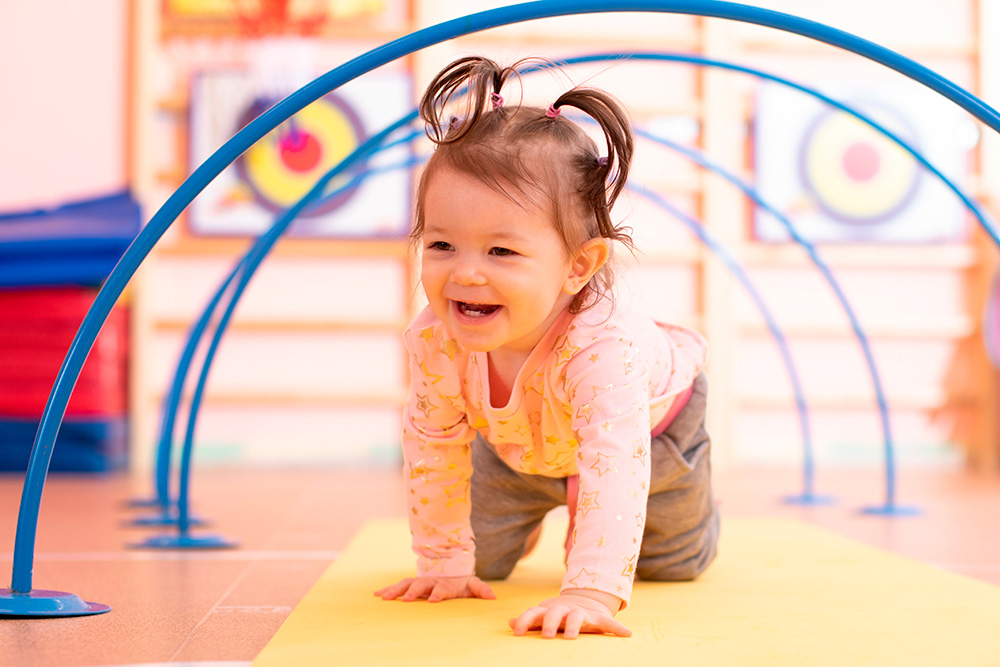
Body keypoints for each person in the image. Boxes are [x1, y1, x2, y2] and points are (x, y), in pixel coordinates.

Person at [375, 56, 719, 639]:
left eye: (501, 252)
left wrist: (589, 591)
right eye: (441, 244)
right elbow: (432, 443)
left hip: (653, 436)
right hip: (517, 448)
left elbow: (613, 460)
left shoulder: (602, 346)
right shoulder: (436, 338)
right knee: (476, 566)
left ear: (578, 265)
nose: (465, 275)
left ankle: (681, 514)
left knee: (671, 567)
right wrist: (443, 561)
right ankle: (541, 510)